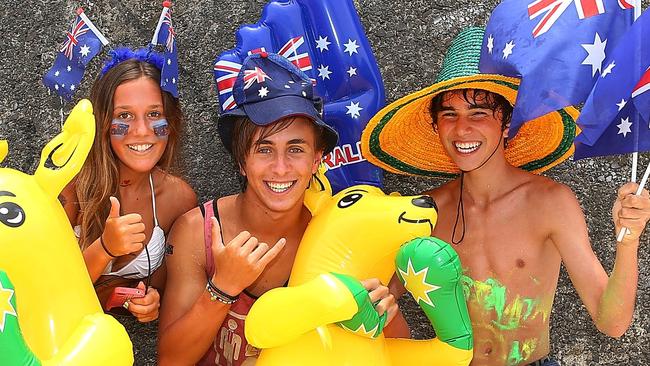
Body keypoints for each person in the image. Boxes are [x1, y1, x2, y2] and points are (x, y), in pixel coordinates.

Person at [362, 27, 650, 366]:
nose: (462, 128)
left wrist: (628, 243)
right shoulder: (421, 213)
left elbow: (611, 323)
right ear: (436, 127)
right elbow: (380, 313)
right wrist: (372, 306)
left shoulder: (549, 203)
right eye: (449, 115)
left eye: (479, 113)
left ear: (506, 122)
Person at [157, 52, 399, 365]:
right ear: (242, 161)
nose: (281, 168)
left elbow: (394, 348)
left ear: (316, 160)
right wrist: (223, 287)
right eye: (264, 149)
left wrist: (382, 313)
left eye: (295, 149)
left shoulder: (337, 234)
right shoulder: (199, 230)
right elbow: (171, 360)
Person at [60, 47, 197, 323]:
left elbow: (160, 285)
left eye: (154, 113)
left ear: (170, 122)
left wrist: (148, 300)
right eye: (124, 116)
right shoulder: (70, 183)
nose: (142, 131)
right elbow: (46, 289)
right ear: (103, 122)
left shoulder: (178, 198)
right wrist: (104, 249)